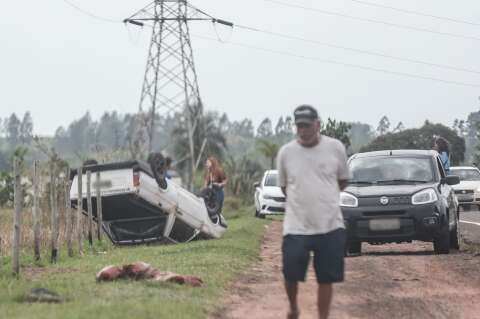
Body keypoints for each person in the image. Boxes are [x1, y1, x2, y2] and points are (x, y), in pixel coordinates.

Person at [277, 105, 349, 319]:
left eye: (307, 126)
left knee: (325, 278)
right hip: (296, 226)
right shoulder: (286, 153)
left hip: (330, 225)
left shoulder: (335, 148)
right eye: (299, 126)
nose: (303, 130)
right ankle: (293, 307)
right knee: (290, 273)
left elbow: (343, 180)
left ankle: (323, 316)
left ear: (318, 125)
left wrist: (324, 196)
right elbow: (284, 187)